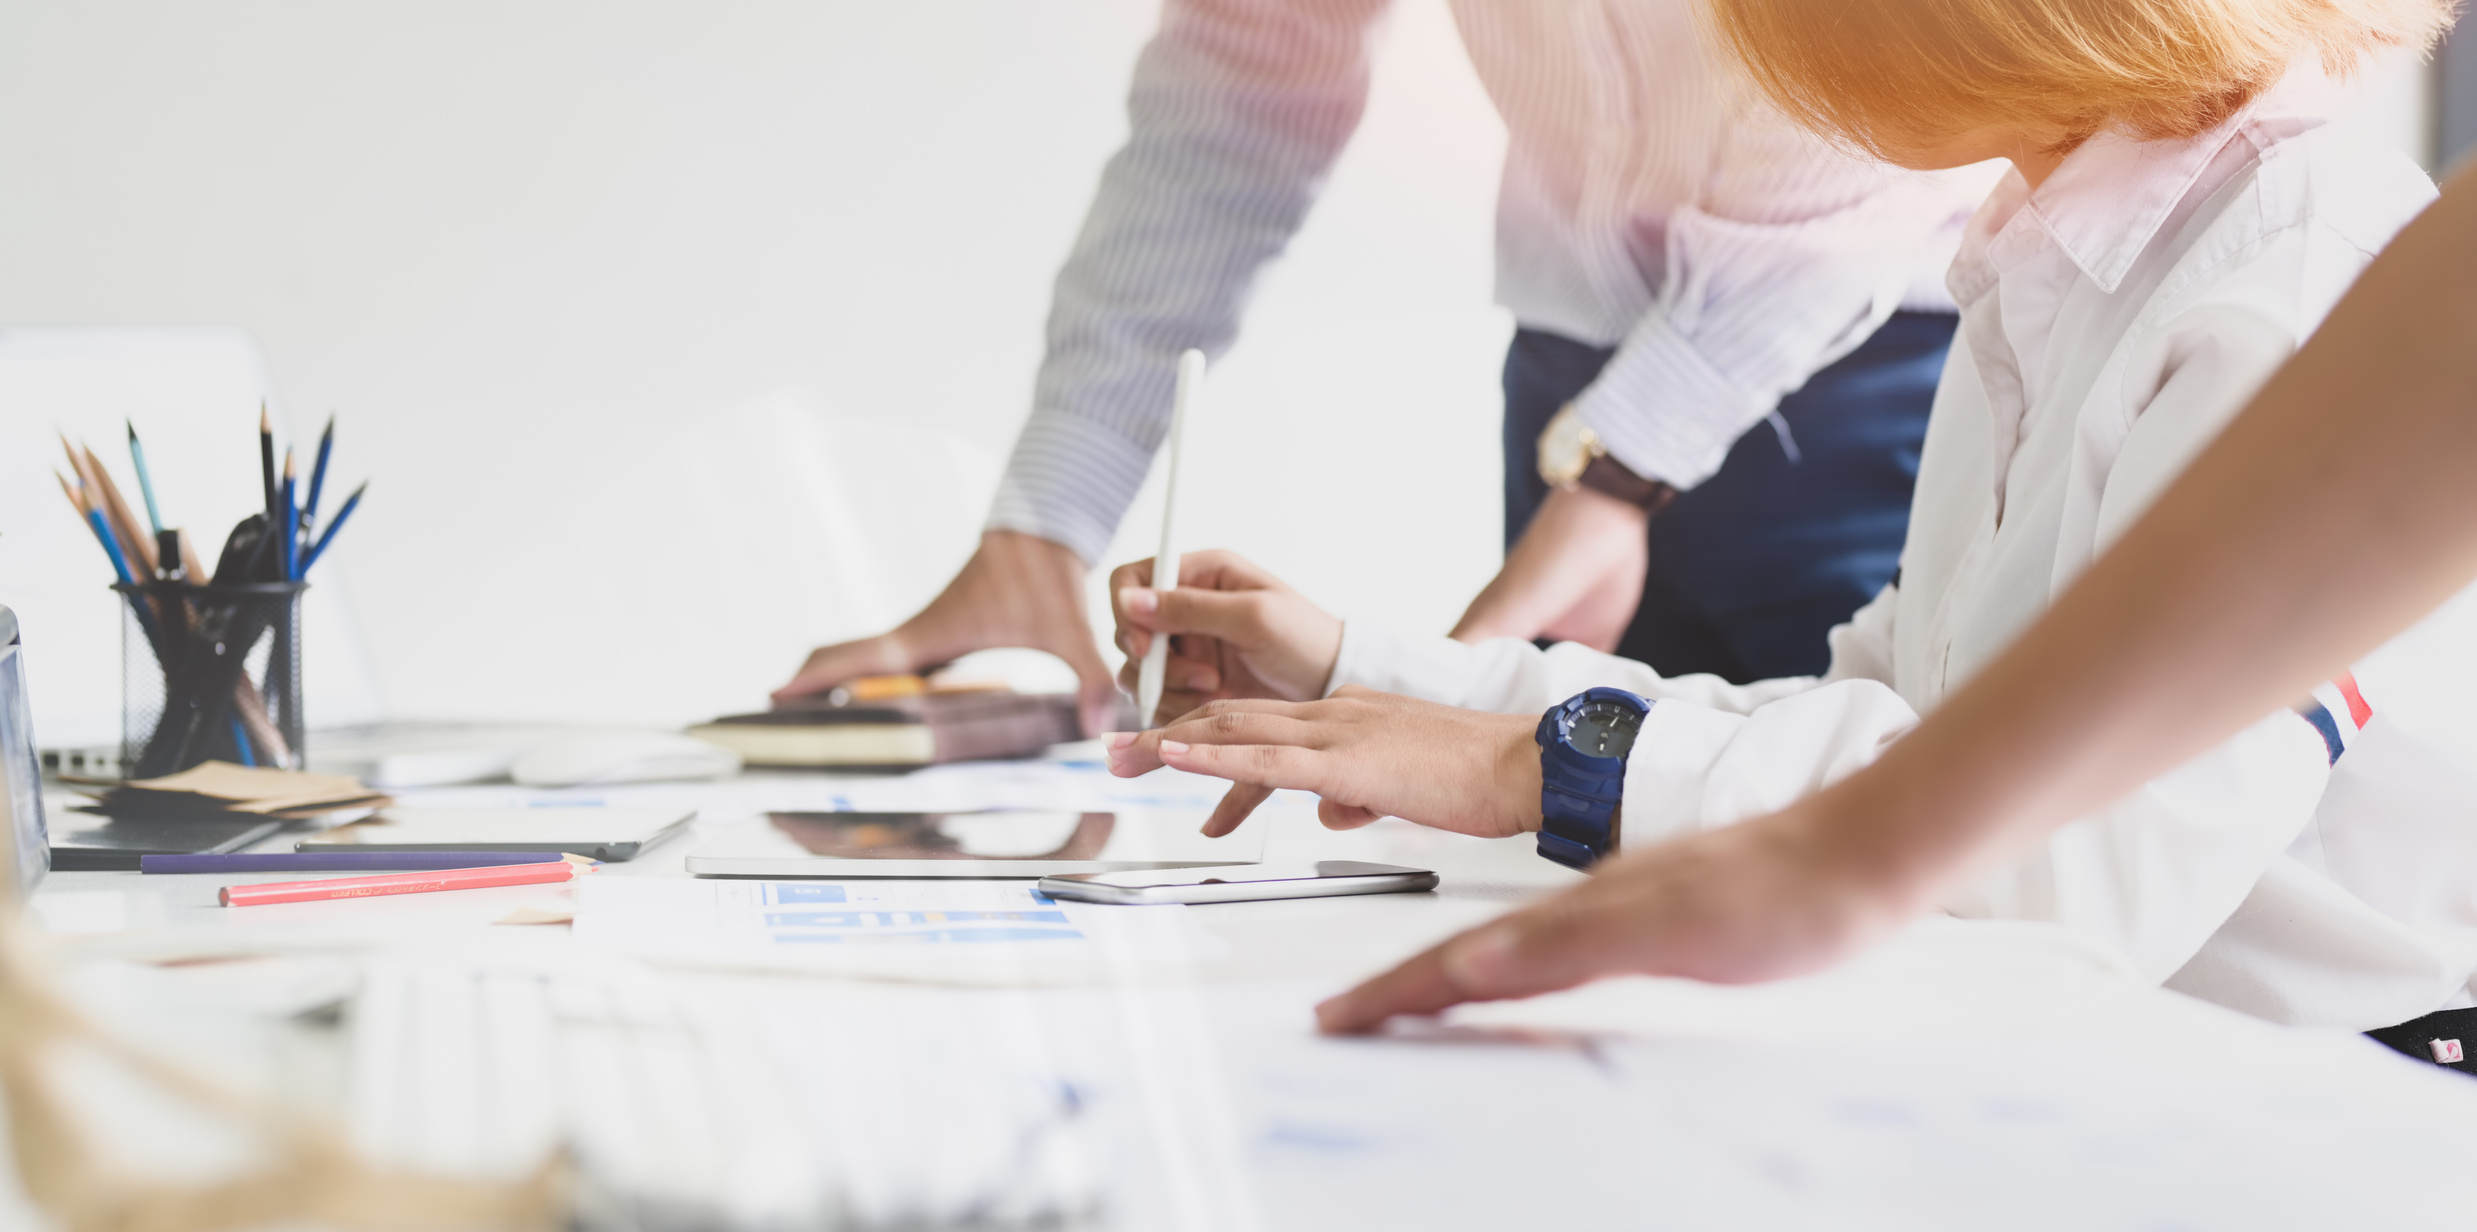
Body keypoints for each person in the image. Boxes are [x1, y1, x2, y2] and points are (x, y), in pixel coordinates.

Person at [1105, 0, 2471, 1041]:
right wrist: (1370, 673)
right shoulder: (2047, 259)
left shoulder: (2287, 277)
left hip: (2315, 1079)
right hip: (2100, 1045)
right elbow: (1874, 721)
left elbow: (2087, 870)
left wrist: (1549, 766)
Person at [774, 0, 1991, 734]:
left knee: (1878, 852)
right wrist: (1044, 526)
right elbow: (1245, 87)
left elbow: (1868, 136)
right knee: (1569, 859)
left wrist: (1624, 471)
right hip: (1574, 377)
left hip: (1874, 360)